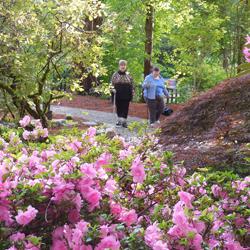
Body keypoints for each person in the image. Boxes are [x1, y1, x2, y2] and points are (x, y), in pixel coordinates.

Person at [111, 60, 134, 128]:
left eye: (124, 65)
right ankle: (119, 120)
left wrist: (133, 91)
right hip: (118, 93)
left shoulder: (129, 74)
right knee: (119, 107)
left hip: (126, 93)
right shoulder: (115, 74)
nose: (123, 66)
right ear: (119, 66)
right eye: (121, 65)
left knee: (125, 107)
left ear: (126, 66)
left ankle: (124, 121)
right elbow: (111, 84)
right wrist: (112, 89)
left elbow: (132, 84)